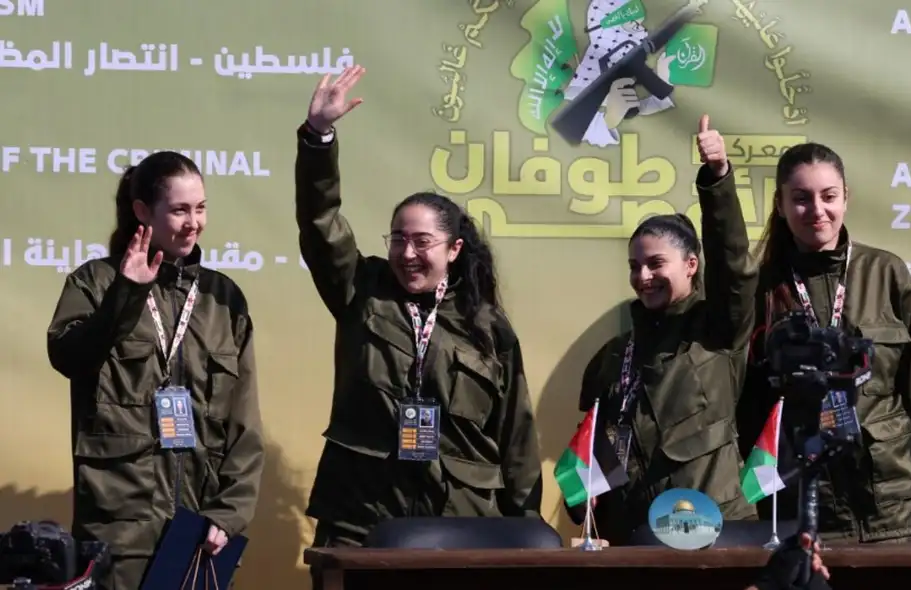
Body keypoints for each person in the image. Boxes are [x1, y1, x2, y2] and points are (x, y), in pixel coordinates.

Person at [296, 66, 543, 561]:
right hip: (361, 515)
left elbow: (515, 435)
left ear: (452, 249)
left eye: (422, 242)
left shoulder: (487, 327)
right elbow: (320, 221)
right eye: (398, 239)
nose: (408, 253)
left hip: (461, 525)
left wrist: (526, 529)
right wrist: (318, 139)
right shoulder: (360, 290)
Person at [46, 152, 265, 589]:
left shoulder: (224, 299)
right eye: (180, 209)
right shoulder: (95, 283)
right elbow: (68, 357)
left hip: (199, 531)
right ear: (142, 211)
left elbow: (245, 424)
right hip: (119, 529)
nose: (194, 222)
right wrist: (127, 293)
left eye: (200, 208)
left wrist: (229, 511)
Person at [737, 142, 911, 543]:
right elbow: (744, 413)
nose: (817, 211)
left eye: (829, 196)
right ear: (780, 204)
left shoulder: (886, 272)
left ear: (847, 198)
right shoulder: (760, 289)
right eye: (801, 199)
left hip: (890, 510)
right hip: (801, 515)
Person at [566, 115, 758, 545]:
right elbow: (595, 442)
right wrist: (582, 495)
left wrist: (718, 179)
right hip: (636, 541)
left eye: (656, 264)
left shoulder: (718, 332)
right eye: (635, 266)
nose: (643, 276)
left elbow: (735, 266)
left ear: (691, 265)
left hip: (716, 534)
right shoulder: (614, 355)